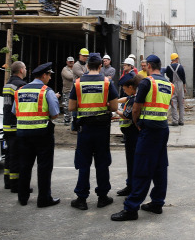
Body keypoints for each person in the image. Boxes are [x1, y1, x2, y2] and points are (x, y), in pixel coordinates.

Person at [111, 54, 174, 221]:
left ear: (150, 66)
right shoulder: (168, 84)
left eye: (145, 65)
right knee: (160, 167)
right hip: (163, 128)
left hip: (149, 129)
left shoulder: (148, 82)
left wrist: (137, 122)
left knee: (141, 168)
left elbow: (136, 106)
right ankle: (157, 202)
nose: (143, 68)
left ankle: (131, 208)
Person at [69, 53, 119, 211]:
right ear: (100, 66)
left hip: (85, 129)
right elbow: (114, 107)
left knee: (84, 164)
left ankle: (81, 199)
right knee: (102, 163)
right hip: (102, 128)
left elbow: (71, 107)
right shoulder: (106, 82)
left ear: (87, 66)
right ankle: (103, 197)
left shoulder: (77, 83)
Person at [13, 62, 61, 207]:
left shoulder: (20, 90)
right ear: (44, 75)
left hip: (22, 134)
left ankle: (23, 197)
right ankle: (44, 199)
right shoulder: (47, 91)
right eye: (49, 75)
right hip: (42, 134)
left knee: (24, 166)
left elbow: (15, 112)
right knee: (44, 167)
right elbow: (55, 114)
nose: (50, 78)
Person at [114, 73, 144, 197]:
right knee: (132, 161)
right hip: (133, 133)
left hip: (133, 133)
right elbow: (126, 99)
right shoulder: (135, 96)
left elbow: (126, 114)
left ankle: (132, 186)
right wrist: (115, 101)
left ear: (131, 87)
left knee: (132, 161)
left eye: (124, 88)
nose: (123, 91)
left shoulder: (134, 99)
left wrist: (113, 108)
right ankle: (130, 185)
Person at [2, 61, 27, 193]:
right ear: (21, 70)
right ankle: (16, 184)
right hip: (15, 125)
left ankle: (7, 181)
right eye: (25, 68)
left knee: (9, 155)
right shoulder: (20, 85)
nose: (26, 70)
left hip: (6, 124)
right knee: (17, 156)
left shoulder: (7, 84)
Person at [165, 53, 187, 126]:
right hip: (180, 85)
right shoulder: (180, 67)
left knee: (173, 103)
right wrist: (184, 88)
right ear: (176, 59)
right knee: (181, 103)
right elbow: (184, 78)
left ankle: (175, 121)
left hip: (172, 85)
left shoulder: (168, 67)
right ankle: (181, 121)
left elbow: (168, 75)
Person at [71, 48, 90, 131]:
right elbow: (83, 75)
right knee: (75, 108)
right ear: (79, 56)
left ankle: (80, 124)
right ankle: (74, 127)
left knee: (82, 107)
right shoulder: (76, 65)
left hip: (83, 89)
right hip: (76, 88)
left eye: (86, 56)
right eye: (83, 56)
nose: (85, 57)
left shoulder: (86, 64)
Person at [61, 56, 75, 124]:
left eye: (72, 61)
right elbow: (70, 77)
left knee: (74, 105)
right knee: (67, 106)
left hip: (74, 90)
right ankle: (67, 119)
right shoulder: (65, 69)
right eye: (69, 61)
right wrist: (78, 75)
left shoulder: (75, 68)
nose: (71, 63)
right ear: (67, 62)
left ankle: (73, 119)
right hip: (67, 90)